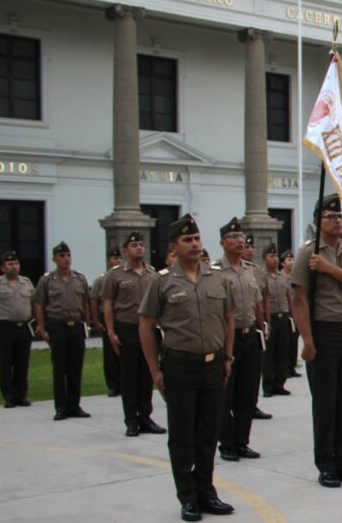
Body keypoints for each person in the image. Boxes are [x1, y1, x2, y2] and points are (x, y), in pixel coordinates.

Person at [139, 214, 237, 522]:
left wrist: (228, 357)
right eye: (187, 240)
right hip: (179, 366)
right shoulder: (162, 281)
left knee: (209, 433)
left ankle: (206, 491)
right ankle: (187, 496)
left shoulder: (217, 278)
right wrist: (155, 370)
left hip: (213, 365)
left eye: (196, 239)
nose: (194, 244)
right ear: (174, 246)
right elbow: (147, 326)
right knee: (182, 435)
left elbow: (229, 319)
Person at [290, 194, 342, 486]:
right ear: (317, 221)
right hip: (324, 332)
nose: (337, 221)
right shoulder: (307, 254)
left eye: (340, 217)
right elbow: (299, 300)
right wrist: (307, 340)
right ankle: (326, 464)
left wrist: (329, 269)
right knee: (326, 402)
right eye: (330, 216)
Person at [103, 231, 165, 437]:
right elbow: (108, 304)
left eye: (141, 244)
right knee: (128, 376)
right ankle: (131, 419)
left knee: (147, 375)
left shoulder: (153, 274)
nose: (139, 247)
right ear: (125, 250)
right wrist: (111, 332)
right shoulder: (115, 274)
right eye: (134, 245)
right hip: (127, 329)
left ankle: (145, 417)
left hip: (148, 330)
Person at [215, 219, 266, 462]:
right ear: (222, 242)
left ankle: (242, 441)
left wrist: (261, 326)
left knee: (248, 393)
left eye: (241, 237)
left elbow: (256, 302)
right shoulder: (214, 272)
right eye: (233, 237)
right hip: (227, 339)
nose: (239, 241)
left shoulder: (250, 270)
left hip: (249, 336)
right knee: (226, 395)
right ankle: (226, 443)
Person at [33, 242, 92, 420]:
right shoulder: (47, 280)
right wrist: (42, 327)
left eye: (68, 255)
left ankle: (74, 405)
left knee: (75, 368)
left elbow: (85, 302)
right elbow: (39, 304)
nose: (66, 259)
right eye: (61, 256)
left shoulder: (79, 278)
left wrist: (87, 323)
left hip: (75, 326)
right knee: (60, 369)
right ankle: (61, 407)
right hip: (57, 326)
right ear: (54, 259)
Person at [0, 251, 35, 408]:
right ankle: (9, 396)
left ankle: (21, 395)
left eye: (16, 263)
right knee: (6, 363)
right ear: (2, 268)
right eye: (10, 264)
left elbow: (34, 303)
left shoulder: (27, 282)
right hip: (4, 328)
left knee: (22, 363)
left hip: (23, 327)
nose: (14, 267)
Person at [261, 245, 293, 397]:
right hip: (270, 317)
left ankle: (279, 383)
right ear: (264, 259)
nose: (274, 259)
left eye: (275, 256)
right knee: (268, 354)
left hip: (284, 316)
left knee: (282, 352)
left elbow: (289, 298)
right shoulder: (261, 277)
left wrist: (292, 316)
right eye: (270, 256)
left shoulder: (283, 278)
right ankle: (268, 386)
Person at [93, 248, 122, 398]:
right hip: (106, 317)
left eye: (118, 258)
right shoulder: (101, 280)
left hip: (121, 318)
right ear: (107, 261)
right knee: (110, 354)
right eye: (113, 258)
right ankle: (112, 385)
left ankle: (124, 383)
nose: (117, 261)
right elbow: (94, 301)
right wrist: (96, 320)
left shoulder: (123, 277)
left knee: (123, 353)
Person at [280, 251, 302, 377]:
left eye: (293, 259)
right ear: (283, 263)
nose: (292, 262)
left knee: (294, 341)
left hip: (297, 313)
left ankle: (292, 367)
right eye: (288, 260)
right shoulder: (281, 277)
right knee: (286, 342)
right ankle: (285, 368)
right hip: (286, 314)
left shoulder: (296, 277)